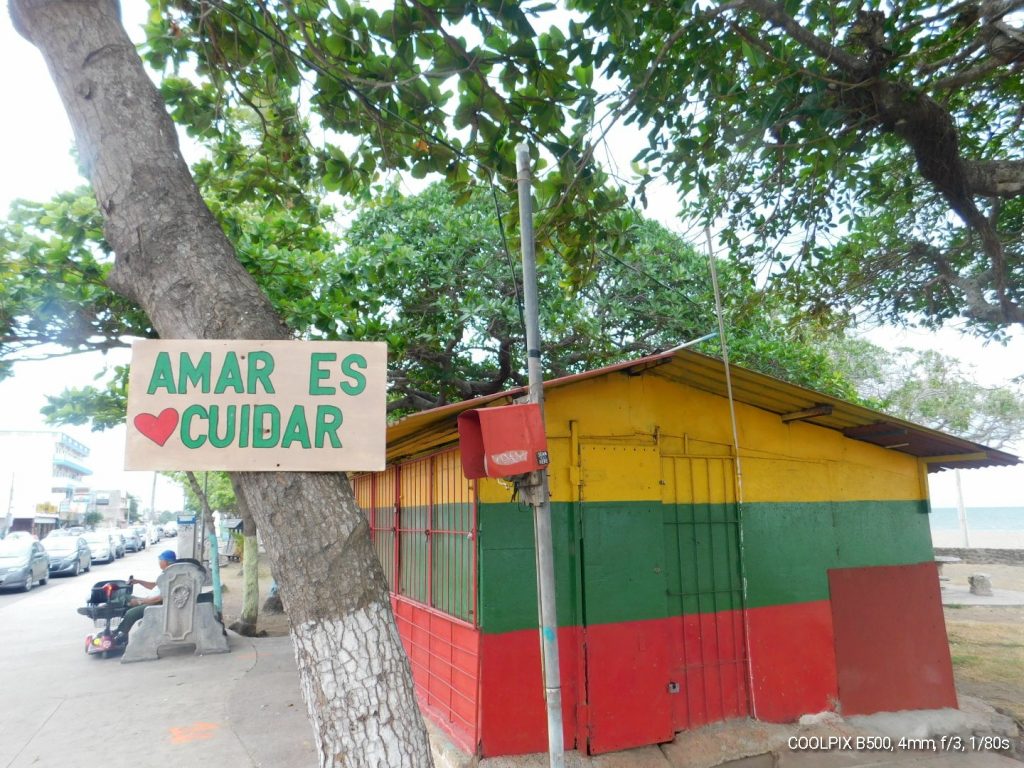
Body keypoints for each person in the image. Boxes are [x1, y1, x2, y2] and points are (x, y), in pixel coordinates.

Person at [114, 549, 176, 641]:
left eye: (160, 560)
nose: (159, 562)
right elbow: (155, 586)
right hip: (149, 600)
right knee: (124, 597)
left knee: (131, 613)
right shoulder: (166, 573)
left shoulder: (172, 575)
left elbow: (162, 597)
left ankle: (120, 634)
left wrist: (140, 601)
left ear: (165, 562)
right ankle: (119, 626)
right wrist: (138, 581)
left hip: (155, 604)